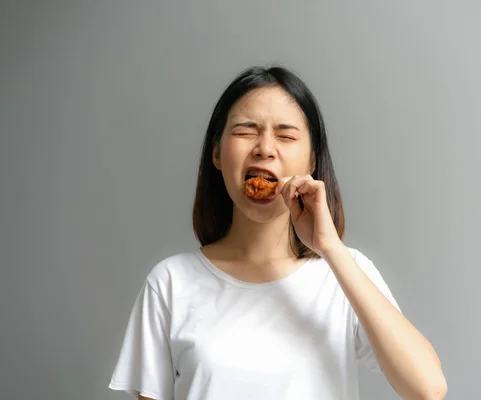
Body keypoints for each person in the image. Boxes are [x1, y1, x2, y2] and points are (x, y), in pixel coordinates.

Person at [108, 66, 447, 400]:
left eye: (285, 135)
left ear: (311, 162)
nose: (265, 148)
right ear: (216, 153)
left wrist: (329, 248)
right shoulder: (170, 283)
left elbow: (427, 389)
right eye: (245, 131)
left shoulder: (342, 274)